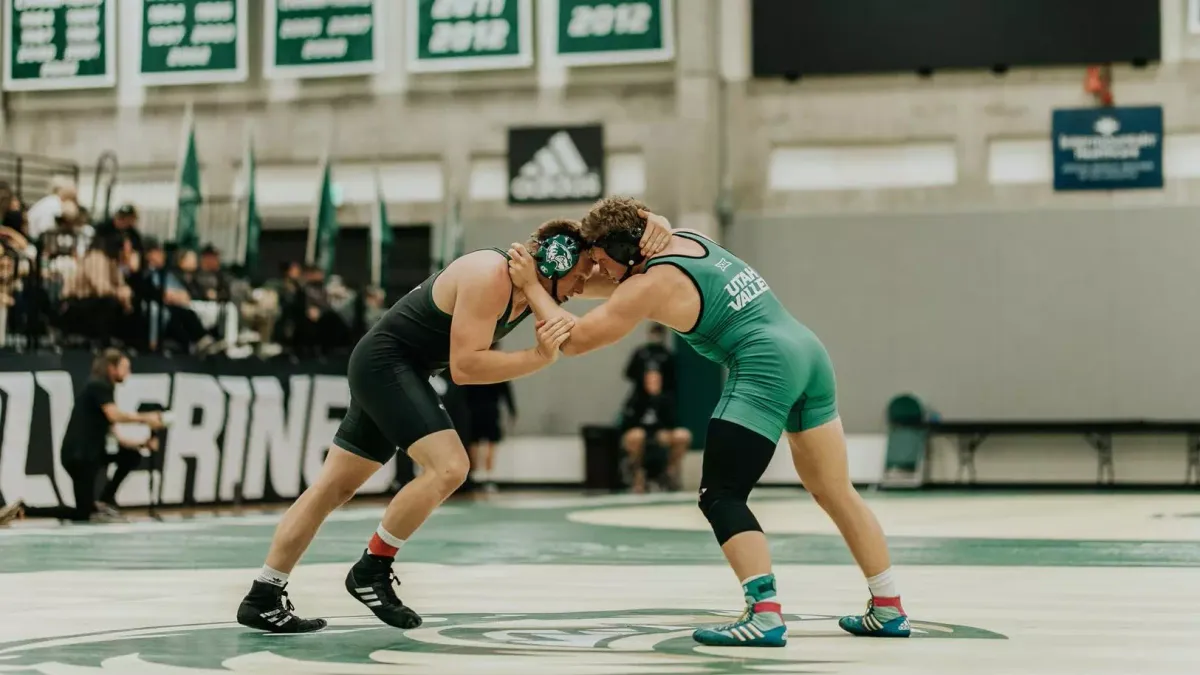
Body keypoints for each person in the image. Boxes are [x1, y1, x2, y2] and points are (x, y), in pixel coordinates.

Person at [235, 217, 671, 635]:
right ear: (552, 263)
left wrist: (657, 226)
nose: (581, 286)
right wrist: (535, 358)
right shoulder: (490, 277)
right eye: (577, 276)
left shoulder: (540, 276)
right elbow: (465, 368)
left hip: (394, 366)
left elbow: (620, 282)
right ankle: (372, 567)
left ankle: (263, 595)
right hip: (388, 365)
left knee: (332, 489)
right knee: (449, 468)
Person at [507, 197, 908, 647]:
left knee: (720, 494)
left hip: (764, 362)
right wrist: (568, 275)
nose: (598, 271)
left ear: (625, 250)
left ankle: (765, 614)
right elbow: (603, 283)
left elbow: (576, 341)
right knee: (836, 490)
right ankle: (888, 607)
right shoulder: (689, 240)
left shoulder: (647, 286)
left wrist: (533, 288)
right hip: (808, 353)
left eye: (602, 260)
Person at [18, 350, 164, 523]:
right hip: (80, 456)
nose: (128, 373)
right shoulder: (98, 386)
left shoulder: (104, 389)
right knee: (83, 514)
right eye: (125, 367)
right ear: (111, 368)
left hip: (91, 454)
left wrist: (142, 444)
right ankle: (26, 510)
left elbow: (114, 432)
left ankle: (103, 502)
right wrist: (147, 418)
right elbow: (114, 416)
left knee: (131, 456)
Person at [620, 366, 689, 493]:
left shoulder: (667, 398)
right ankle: (637, 472)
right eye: (650, 380)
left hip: (661, 433)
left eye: (656, 380)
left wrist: (657, 400)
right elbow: (628, 421)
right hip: (641, 433)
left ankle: (670, 471)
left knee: (683, 435)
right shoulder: (636, 398)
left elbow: (672, 421)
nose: (653, 383)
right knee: (636, 436)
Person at [462, 344, 517, 493]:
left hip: (477, 410)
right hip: (484, 410)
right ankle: (484, 477)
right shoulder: (498, 368)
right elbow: (507, 392)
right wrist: (513, 411)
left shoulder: (474, 368)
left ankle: (480, 476)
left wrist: (512, 410)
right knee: (485, 443)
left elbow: (506, 391)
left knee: (477, 443)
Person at [624, 323, 675, 395]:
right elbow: (629, 373)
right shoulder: (641, 353)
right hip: (640, 394)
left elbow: (672, 377)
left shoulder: (667, 355)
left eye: (658, 334)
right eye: (654, 333)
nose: (656, 336)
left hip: (661, 396)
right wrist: (643, 378)